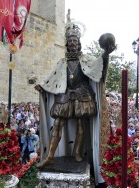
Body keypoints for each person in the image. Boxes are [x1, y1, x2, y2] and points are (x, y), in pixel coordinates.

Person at [36, 9, 115, 170]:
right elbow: (52, 78)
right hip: (65, 95)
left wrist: (106, 54)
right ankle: (50, 156)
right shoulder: (61, 62)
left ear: (79, 43)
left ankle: (78, 152)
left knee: (81, 125)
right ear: (67, 43)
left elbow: (98, 68)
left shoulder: (86, 59)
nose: (72, 43)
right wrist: (43, 87)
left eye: (75, 41)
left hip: (82, 94)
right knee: (58, 124)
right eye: (70, 41)